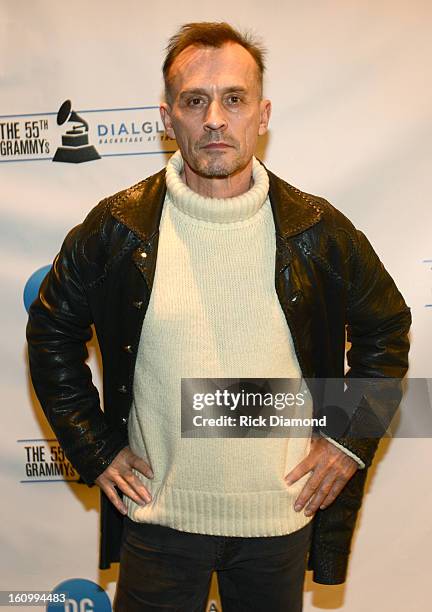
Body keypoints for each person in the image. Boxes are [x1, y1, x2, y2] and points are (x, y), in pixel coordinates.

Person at [26, 21, 411, 612]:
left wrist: (347, 440)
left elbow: (387, 329)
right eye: (195, 100)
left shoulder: (318, 231)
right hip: (157, 519)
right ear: (166, 117)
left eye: (233, 99)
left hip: (280, 522)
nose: (214, 118)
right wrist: (95, 448)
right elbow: (51, 329)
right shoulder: (118, 229)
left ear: (262, 113)